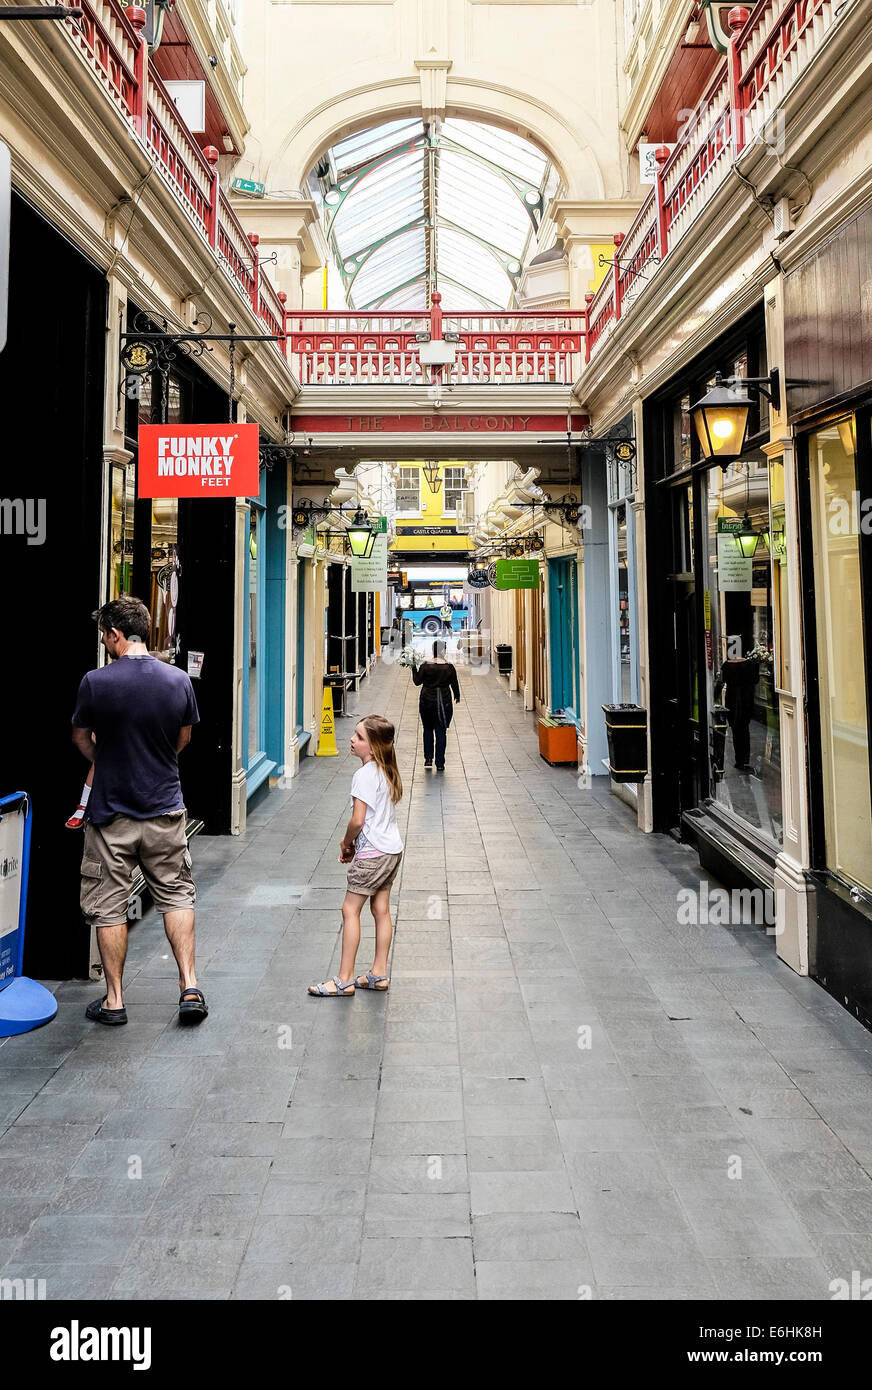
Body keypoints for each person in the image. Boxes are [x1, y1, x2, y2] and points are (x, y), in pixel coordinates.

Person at [71, 595, 207, 1026]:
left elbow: (80, 739)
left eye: (104, 636)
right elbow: (183, 739)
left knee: (109, 905)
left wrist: (108, 760)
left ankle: (114, 1000)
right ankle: (189, 986)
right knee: (176, 895)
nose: (105, 643)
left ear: (114, 634)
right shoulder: (178, 680)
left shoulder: (95, 682)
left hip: (111, 813)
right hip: (165, 807)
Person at [308, 715, 403, 997]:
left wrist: (346, 843)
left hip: (372, 853)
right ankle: (378, 973)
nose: (352, 739)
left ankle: (344, 979)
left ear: (372, 747)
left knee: (350, 910)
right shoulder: (387, 770)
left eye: (359, 737)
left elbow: (358, 820)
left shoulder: (363, 776)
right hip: (391, 850)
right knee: (381, 909)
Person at [412, 639, 460, 770]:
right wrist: (457, 695)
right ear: (443, 651)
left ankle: (428, 759)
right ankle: (440, 763)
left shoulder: (425, 666)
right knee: (441, 731)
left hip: (426, 701)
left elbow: (417, 682)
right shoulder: (449, 667)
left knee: (427, 729)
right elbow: (454, 683)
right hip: (443, 703)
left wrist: (413, 668)